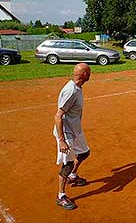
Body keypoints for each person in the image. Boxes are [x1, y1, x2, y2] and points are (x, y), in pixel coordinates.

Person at [53, 63, 91, 210]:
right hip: (66, 133)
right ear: (85, 75)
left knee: (84, 153)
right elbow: (58, 116)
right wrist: (62, 141)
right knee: (67, 164)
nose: (90, 74)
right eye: (89, 72)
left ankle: (72, 176)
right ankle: (61, 195)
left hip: (76, 130)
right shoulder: (71, 91)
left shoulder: (78, 87)